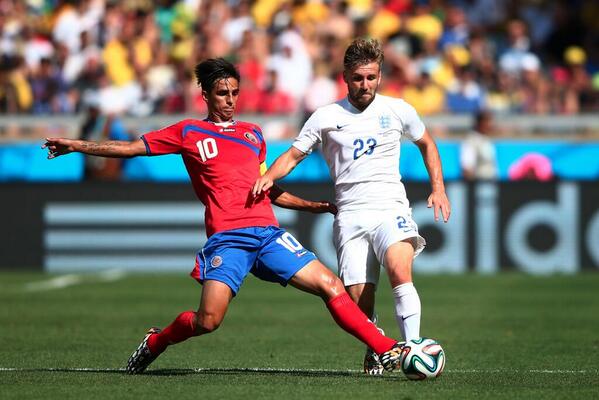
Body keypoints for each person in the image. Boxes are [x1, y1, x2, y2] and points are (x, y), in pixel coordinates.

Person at [42, 58, 405, 375]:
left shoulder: (253, 134)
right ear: (205, 95)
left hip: (267, 234)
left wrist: (315, 206)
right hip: (228, 238)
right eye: (222, 93)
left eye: (234, 92)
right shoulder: (188, 132)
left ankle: (386, 348)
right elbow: (132, 148)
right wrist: (76, 145)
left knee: (331, 285)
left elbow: (266, 188)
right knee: (208, 321)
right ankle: (157, 340)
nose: (230, 100)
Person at [253, 38, 451, 375]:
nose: (365, 84)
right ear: (345, 76)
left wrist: (438, 187)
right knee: (361, 301)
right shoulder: (326, 117)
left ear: (380, 76)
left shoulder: (398, 109)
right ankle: (376, 346)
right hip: (350, 214)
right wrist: (268, 177)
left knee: (400, 271)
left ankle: (412, 348)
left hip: (391, 207)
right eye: (358, 78)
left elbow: (427, 143)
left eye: (371, 77)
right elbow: (293, 155)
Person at [460, 110, 498, 180]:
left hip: (491, 184)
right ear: (480, 123)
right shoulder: (471, 141)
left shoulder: (487, 140)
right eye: (487, 121)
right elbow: (467, 168)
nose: (490, 125)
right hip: (480, 185)